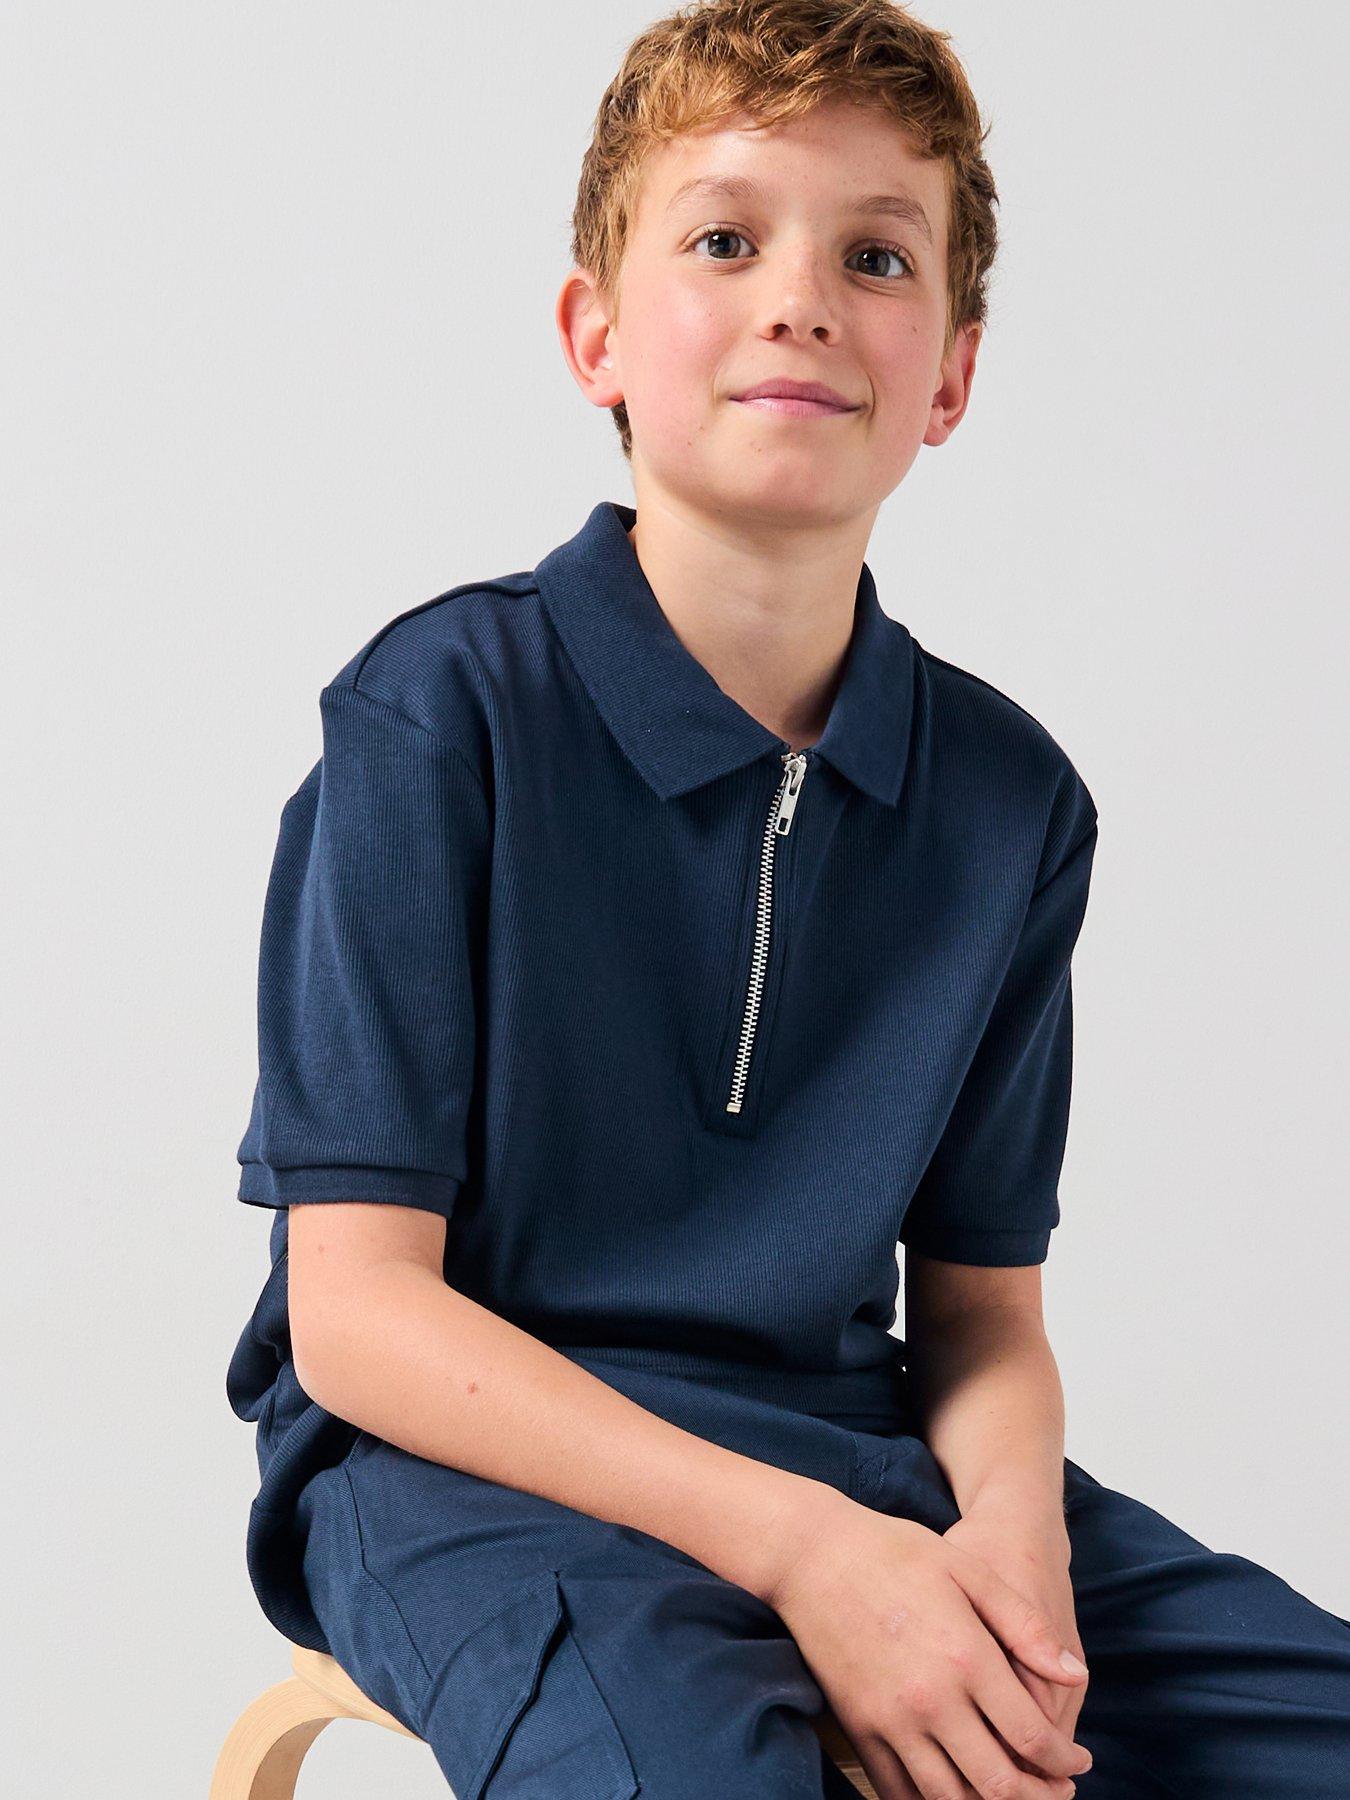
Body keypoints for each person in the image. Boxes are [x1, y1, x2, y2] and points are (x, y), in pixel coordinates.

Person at [225, 3, 1350, 1795]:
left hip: (856, 1449)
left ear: (950, 376)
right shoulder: (440, 718)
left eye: (874, 257)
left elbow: (982, 1320)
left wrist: (1010, 1567)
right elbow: (357, 1318)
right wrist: (812, 1558)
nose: (802, 301)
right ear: (595, 334)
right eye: (725, 240)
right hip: (461, 1479)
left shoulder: (1008, 803)